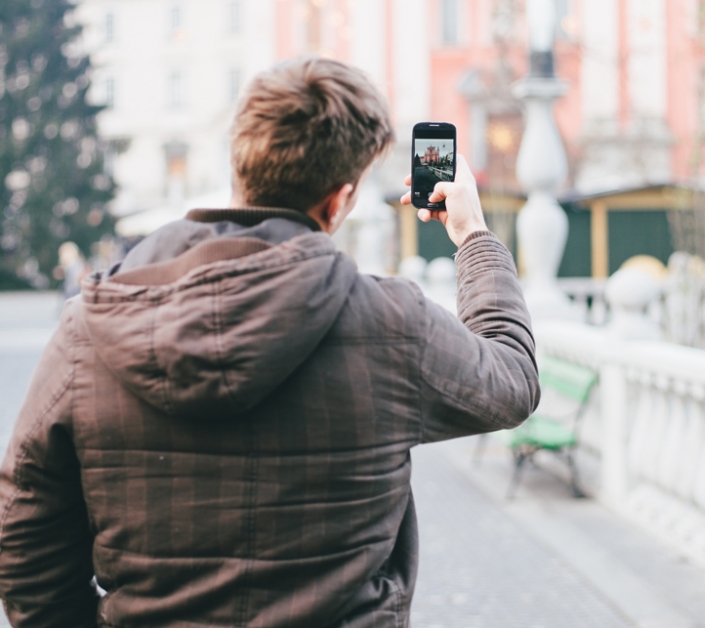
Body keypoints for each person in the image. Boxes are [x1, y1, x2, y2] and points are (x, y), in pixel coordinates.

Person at [0, 58, 539, 627]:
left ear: (239, 165)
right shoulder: (391, 323)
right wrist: (472, 236)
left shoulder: (88, 327)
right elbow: (512, 380)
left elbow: (25, 534)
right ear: (339, 201)